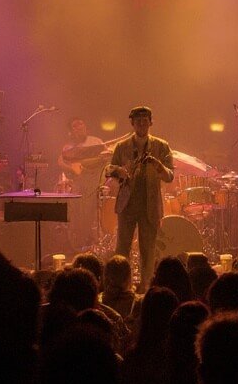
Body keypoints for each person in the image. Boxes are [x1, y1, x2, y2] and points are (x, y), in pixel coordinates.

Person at [106, 106, 175, 284]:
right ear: (132, 123)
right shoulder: (122, 147)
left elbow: (170, 176)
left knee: (148, 251)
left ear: (151, 123)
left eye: (145, 121)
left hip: (150, 206)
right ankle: (121, 286)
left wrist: (158, 165)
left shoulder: (161, 146)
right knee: (122, 249)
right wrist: (119, 171)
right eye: (138, 121)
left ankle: (145, 288)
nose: (142, 124)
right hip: (127, 205)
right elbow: (109, 169)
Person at [57, 118, 107, 250]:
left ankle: (93, 245)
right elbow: (62, 163)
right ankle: (78, 246)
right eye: (75, 126)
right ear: (71, 131)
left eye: (81, 124)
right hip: (78, 186)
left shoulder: (96, 141)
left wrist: (89, 165)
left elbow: (105, 158)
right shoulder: (68, 148)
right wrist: (72, 168)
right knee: (78, 216)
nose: (79, 127)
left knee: (92, 216)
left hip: (95, 184)